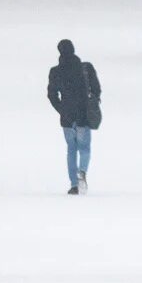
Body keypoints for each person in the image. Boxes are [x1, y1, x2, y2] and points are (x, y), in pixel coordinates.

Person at [46, 39, 101, 195]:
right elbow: (96, 89)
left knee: (71, 149)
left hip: (67, 118)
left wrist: (61, 109)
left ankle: (74, 184)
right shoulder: (86, 68)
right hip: (83, 115)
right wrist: (92, 102)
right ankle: (82, 171)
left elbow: (51, 94)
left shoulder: (56, 71)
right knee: (84, 148)